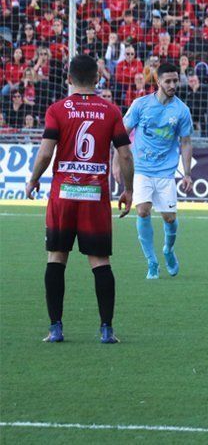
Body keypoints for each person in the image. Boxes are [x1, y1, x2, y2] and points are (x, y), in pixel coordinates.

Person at [25, 55, 135, 344]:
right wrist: (128, 189)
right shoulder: (110, 111)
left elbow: (46, 153)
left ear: (69, 79)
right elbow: (124, 154)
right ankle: (107, 329)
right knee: (100, 261)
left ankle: (56, 328)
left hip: (63, 195)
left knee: (56, 258)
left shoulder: (57, 110)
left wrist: (34, 178)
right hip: (94, 196)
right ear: (97, 79)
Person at [120, 62, 194, 279]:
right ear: (158, 81)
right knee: (142, 210)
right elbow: (122, 134)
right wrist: (117, 162)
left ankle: (168, 250)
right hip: (141, 168)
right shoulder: (141, 105)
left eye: (175, 80)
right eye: (168, 81)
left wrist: (187, 173)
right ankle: (152, 262)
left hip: (166, 172)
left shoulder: (181, 110)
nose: (172, 84)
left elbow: (186, 142)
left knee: (169, 218)